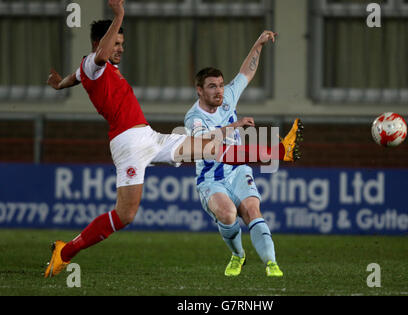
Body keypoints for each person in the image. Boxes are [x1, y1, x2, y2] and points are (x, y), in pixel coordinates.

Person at [44, 0, 303, 278]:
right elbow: (94, 61)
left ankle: (279, 151)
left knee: (211, 150)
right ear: (99, 44)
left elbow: (76, 76)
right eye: (115, 42)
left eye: (122, 43)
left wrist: (60, 84)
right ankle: (66, 251)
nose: (120, 48)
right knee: (125, 215)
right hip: (128, 144)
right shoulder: (96, 64)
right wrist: (119, 14)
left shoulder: (88, 69)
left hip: (148, 136)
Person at [184, 31, 301, 277]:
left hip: (237, 170)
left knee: (251, 210)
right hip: (211, 178)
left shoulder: (227, 97)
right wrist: (233, 127)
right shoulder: (194, 118)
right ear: (199, 90)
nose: (219, 91)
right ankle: (238, 255)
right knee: (227, 214)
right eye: (212, 86)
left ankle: (271, 263)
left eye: (220, 85)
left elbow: (246, 73)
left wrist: (258, 44)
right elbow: (205, 145)